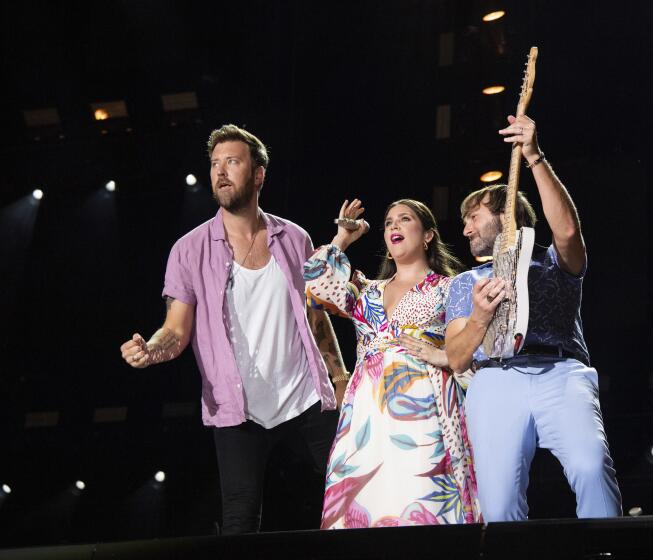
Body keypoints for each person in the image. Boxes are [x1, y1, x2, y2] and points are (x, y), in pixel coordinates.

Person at [119, 124, 348, 534]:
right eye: (214, 164)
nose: (220, 172)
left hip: (305, 395)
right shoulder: (188, 249)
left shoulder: (294, 238)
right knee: (240, 516)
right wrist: (153, 349)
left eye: (233, 162)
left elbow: (316, 313)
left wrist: (339, 375)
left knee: (348, 488)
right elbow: (175, 329)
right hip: (237, 407)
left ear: (258, 174)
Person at [444, 114, 622, 521]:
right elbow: (456, 358)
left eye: (474, 216)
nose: (466, 228)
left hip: (561, 371)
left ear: (505, 216)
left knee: (591, 466)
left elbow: (569, 232)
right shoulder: (465, 283)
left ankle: (608, 551)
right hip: (494, 378)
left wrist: (534, 156)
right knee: (499, 500)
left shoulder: (555, 263)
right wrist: (479, 318)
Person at [303, 198, 480, 528]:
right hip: (367, 413)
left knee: (420, 499)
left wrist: (441, 356)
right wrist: (343, 237)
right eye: (388, 223)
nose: (394, 226)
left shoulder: (450, 287)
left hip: (423, 409)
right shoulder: (366, 290)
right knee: (368, 506)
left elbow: (468, 350)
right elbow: (314, 289)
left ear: (428, 235)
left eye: (405, 219)